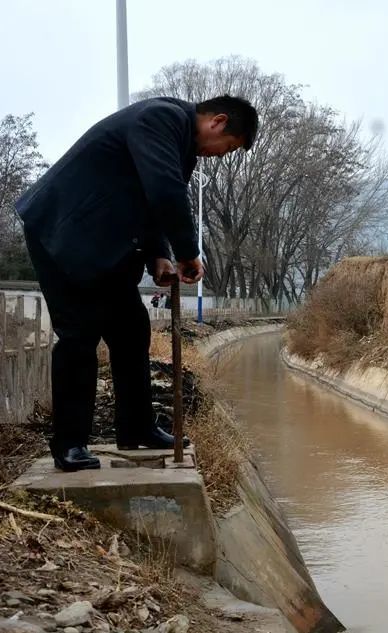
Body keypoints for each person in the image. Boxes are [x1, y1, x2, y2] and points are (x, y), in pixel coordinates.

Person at [16, 95, 258, 472]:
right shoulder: (161, 119)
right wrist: (186, 252)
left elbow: (150, 203)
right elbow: (163, 191)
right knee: (79, 336)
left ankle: (136, 428)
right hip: (62, 232)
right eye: (226, 148)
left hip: (101, 242)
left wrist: (158, 254)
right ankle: (70, 444)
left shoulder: (180, 145)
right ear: (218, 122)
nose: (218, 155)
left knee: (131, 329)